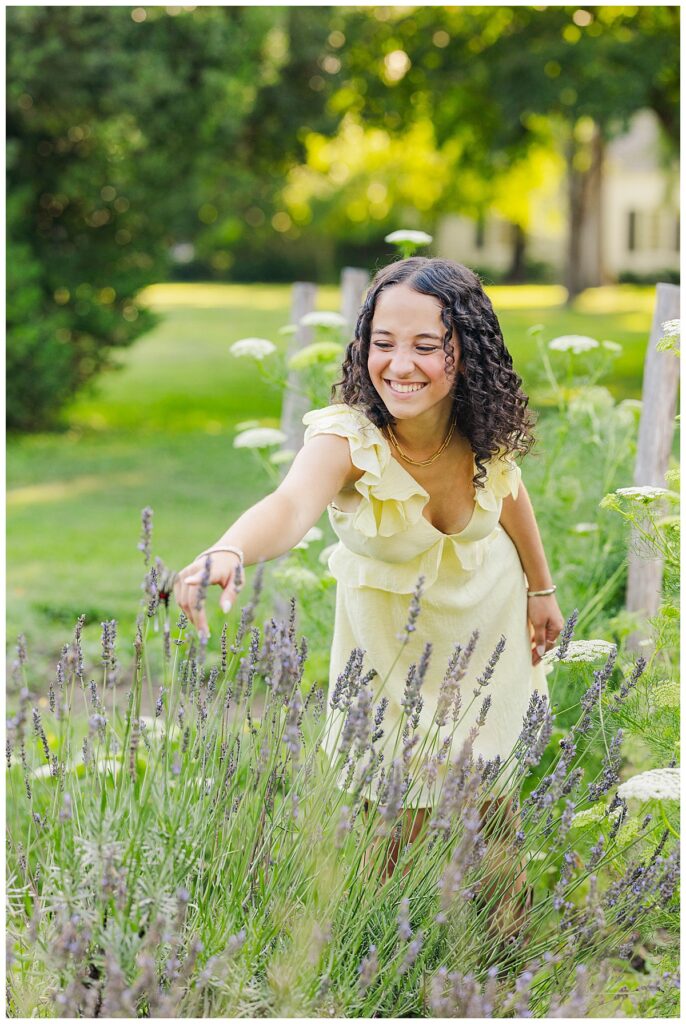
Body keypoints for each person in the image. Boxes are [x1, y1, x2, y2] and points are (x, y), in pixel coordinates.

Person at [174, 256, 564, 938]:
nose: (399, 364)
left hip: (486, 624)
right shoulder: (350, 439)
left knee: (494, 812)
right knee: (392, 826)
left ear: (464, 354)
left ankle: (514, 964)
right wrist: (229, 549)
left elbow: (510, 494)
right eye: (383, 342)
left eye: (425, 345)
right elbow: (290, 504)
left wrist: (542, 589)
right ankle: (372, 963)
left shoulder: (478, 428)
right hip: (391, 654)